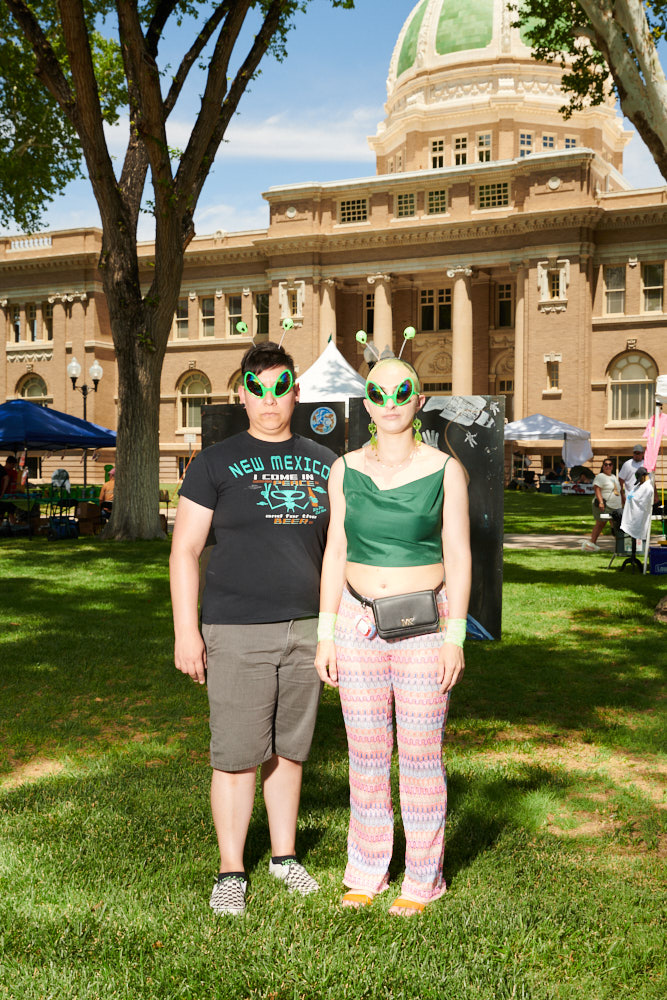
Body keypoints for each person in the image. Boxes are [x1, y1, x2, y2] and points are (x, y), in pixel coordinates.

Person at [170, 341, 336, 918]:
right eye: (257, 387)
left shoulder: (325, 459)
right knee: (237, 756)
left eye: (281, 386)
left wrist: (334, 629)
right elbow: (185, 551)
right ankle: (231, 870)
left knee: (289, 753)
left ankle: (285, 858)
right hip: (235, 629)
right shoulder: (214, 462)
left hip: (308, 629)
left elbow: (341, 551)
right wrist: (184, 632)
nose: (270, 399)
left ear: (296, 391)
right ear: (241, 393)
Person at [315, 358, 471, 917]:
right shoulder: (344, 468)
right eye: (377, 392)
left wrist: (456, 636)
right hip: (355, 624)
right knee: (367, 753)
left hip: (427, 626)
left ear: (420, 399)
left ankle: (423, 880)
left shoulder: (446, 470)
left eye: (402, 390)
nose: (390, 401)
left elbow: (459, 554)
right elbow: (335, 551)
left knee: (423, 755)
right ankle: (367, 869)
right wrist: (325, 633)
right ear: (366, 401)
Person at [581, 458, 621, 551]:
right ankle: (591, 544)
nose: (608, 466)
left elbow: (618, 491)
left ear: (612, 466)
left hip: (614, 506)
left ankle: (620, 544)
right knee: (600, 524)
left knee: (615, 524)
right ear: (603, 466)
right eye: (605, 464)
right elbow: (597, 489)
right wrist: (601, 502)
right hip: (604, 505)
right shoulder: (600, 476)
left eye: (610, 464)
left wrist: (622, 502)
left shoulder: (614, 477)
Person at [0, 455, 18, 523]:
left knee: (11, 514)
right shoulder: (2, 470)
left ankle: (13, 529)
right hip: (4, 496)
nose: (13, 466)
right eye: (12, 464)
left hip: (11, 496)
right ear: (8, 463)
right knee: (2, 514)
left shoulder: (14, 472)